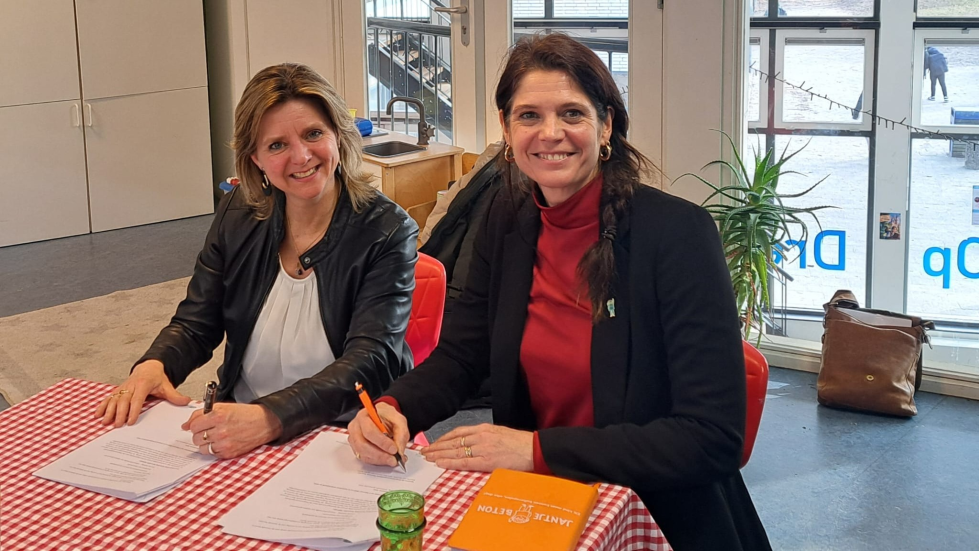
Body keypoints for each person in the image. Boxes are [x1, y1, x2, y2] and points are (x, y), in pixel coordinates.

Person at [348, 34, 771, 550]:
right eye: (529, 116)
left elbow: (711, 437)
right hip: (540, 506)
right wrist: (395, 407)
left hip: (659, 516)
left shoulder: (678, 235)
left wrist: (536, 451)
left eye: (572, 113)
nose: (551, 134)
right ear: (506, 128)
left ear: (606, 125)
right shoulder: (509, 219)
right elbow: (463, 355)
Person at [94, 63, 418, 459]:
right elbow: (197, 321)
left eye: (313, 133)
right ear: (256, 159)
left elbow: (368, 362)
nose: (301, 156)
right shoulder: (238, 212)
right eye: (277, 145)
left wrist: (269, 417)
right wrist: (154, 364)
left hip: (344, 435)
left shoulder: (387, 229)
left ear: (339, 136)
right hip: (239, 428)